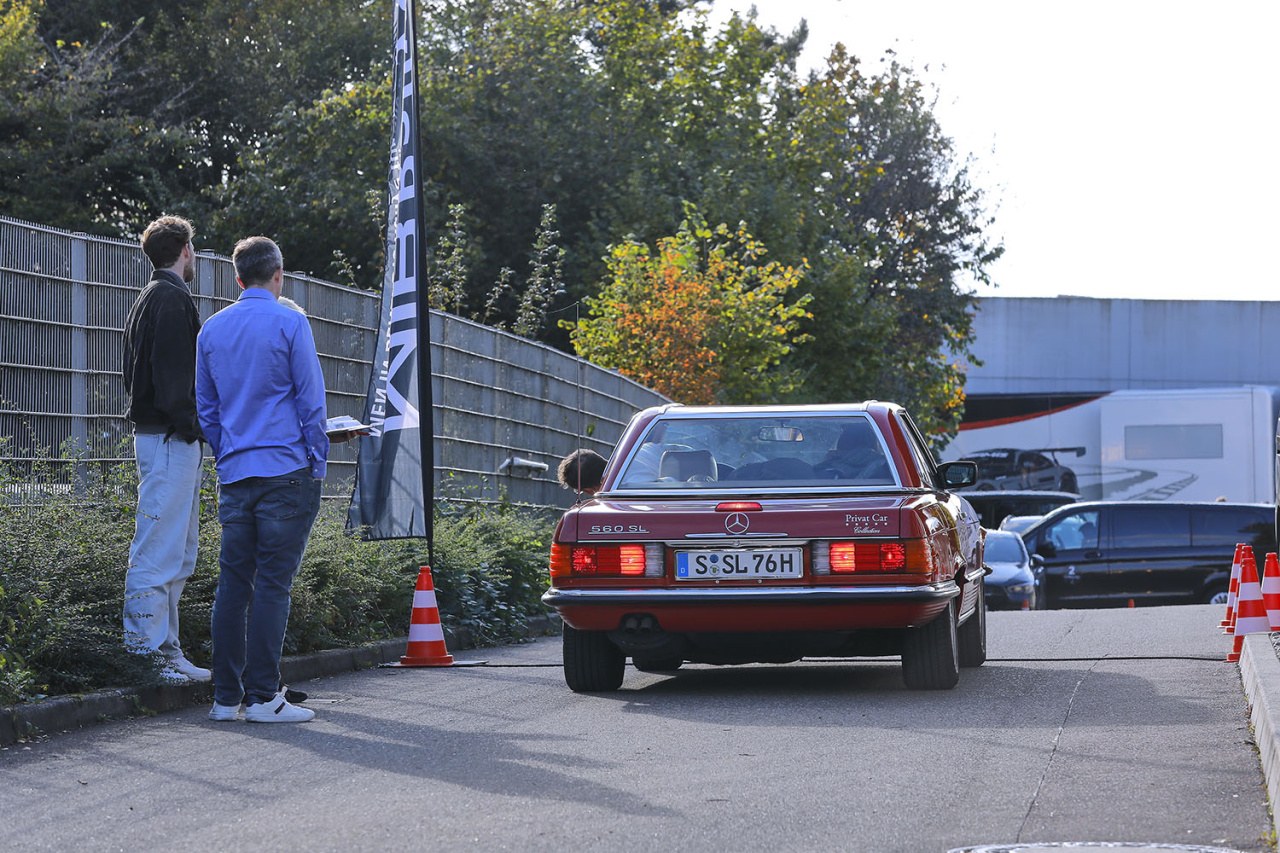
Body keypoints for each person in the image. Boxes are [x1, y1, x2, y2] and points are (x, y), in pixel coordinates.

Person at [196, 236, 328, 723]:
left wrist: (227, 453)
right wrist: (317, 461)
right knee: (273, 585)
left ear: (237, 278)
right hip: (286, 470)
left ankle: (224, 699)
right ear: (278, 276)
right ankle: (263, 698)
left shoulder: (212, 329)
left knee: (232, 586)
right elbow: (311, 401)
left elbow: (207, 408)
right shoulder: (291, 322)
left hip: (235, 472)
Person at [121, 215, 210, 684]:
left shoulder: (148, 297)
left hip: (162, 436)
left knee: (175, 550)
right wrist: (197, 428)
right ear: (185, 250)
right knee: (160, 549)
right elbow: (176, 382)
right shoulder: (173, 299)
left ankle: (165, 650)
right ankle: (146, 654)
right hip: (172, 438)